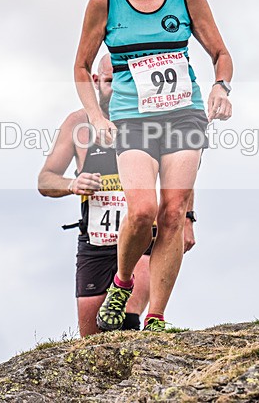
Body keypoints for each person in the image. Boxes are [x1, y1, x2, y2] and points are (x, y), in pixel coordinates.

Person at [73, 0, 232, 332]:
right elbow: (80, 67)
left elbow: (220, 53)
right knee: (142, 210)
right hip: (132, 119)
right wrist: (95, 116)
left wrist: (221, 86)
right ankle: (123, 283)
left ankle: (157, 315)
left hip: (183, 113)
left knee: (174, 211)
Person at [39, 54, 196, 336]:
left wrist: (187, 219)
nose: (116, 88)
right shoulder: (78, 125)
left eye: (124, 81)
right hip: (97, 241)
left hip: (143, 237)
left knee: (125, 323)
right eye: (110, 81)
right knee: (91, 337)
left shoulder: (150, 119)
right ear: (97, 82)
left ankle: (150, 337)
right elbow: (45, 179)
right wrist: (71, 185)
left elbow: (181, 173)